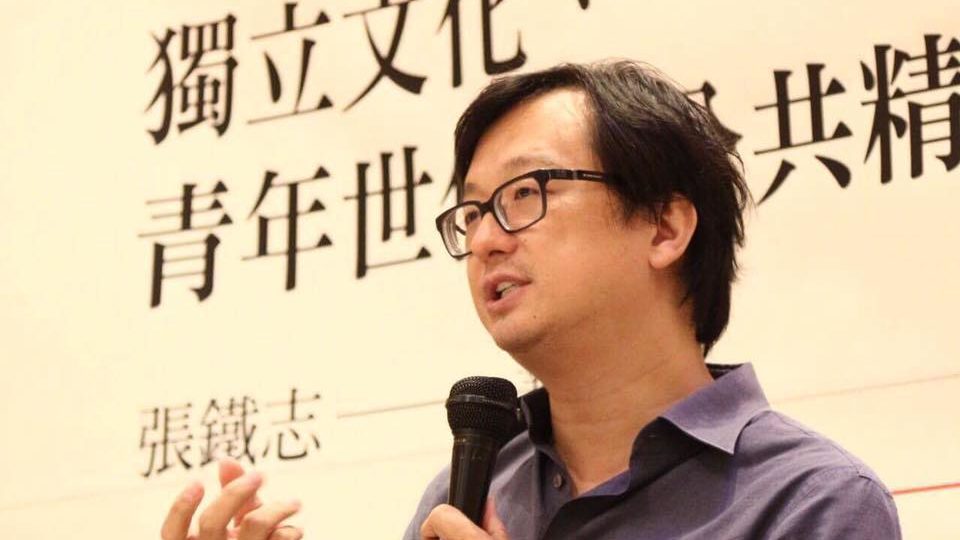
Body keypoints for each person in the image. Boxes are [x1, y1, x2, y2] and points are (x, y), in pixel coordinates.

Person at [160, 60, 902, 540]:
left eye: (525, 193)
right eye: (473, 211)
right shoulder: (466, 493)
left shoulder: (812, 502)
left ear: (664, 227)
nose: (486, 238)